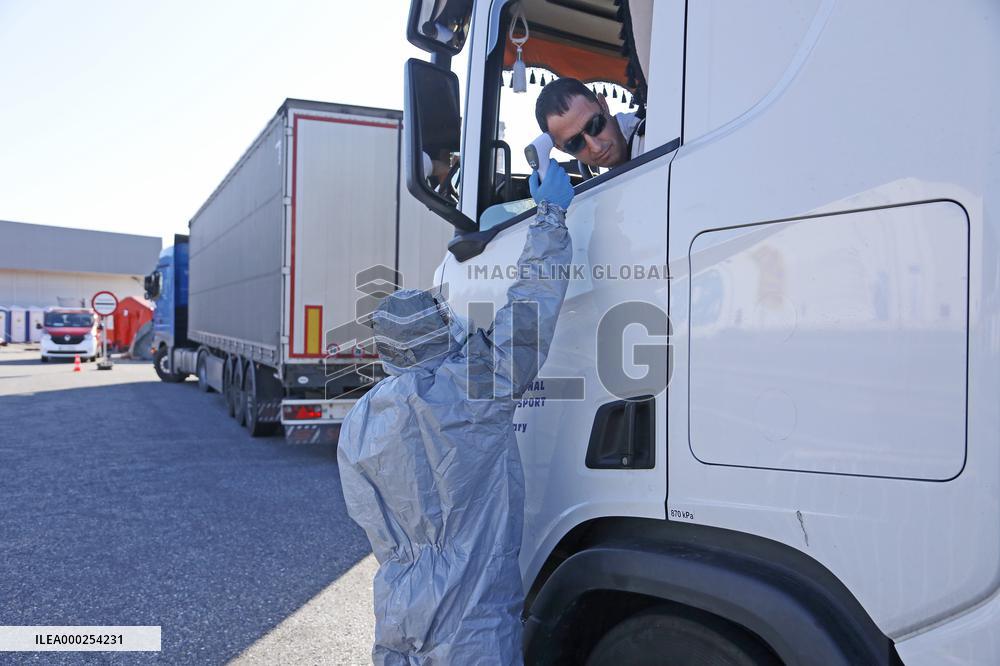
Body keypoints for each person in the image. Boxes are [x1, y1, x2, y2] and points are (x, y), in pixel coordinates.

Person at [337, 159, 575, 665]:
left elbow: (370, 518)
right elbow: (530, 308)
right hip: (473, 616)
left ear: (387, 349)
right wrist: (550, 215)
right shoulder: (474, 384)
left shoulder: (360, 420)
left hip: (399, 604)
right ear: (443, 328)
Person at [534, 77, 643, 170]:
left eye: (595, 126)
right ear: (561, 148)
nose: (596, 147)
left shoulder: (650, 129)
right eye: (575, 143)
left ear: (603, 104)